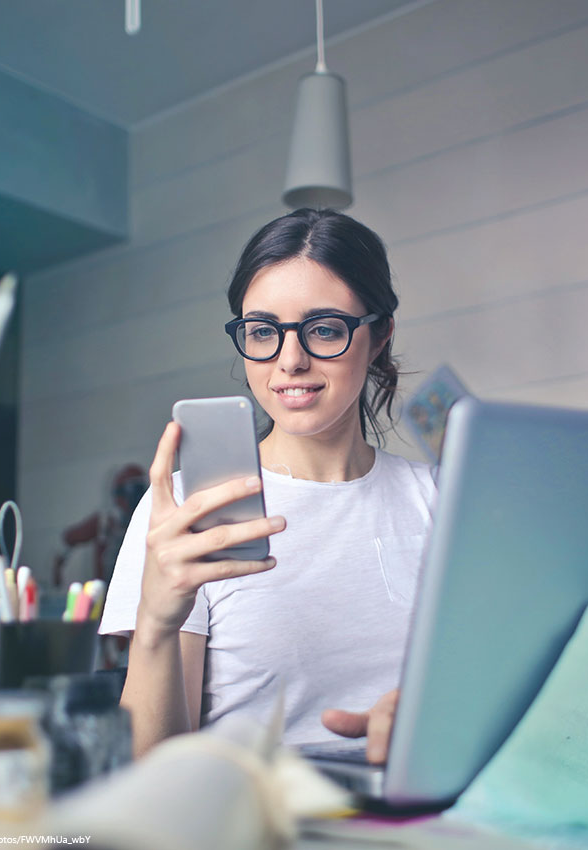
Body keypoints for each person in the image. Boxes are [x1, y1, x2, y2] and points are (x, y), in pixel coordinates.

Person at [99, 208, 436, 760]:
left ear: (379, 337)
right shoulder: (189, 509)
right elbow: (153, 773)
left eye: (324, 329)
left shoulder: (442, 501)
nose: (290, 360)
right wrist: (157, 622)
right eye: (263, 332)